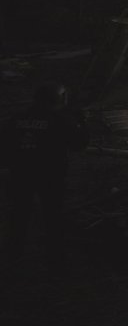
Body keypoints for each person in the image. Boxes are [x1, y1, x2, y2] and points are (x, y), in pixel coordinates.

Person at [2, 83, 87, 268]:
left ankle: (14, 253)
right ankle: (55, 258)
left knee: (19, 213)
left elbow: (6, 145)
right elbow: (78, 144)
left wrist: (8, 167)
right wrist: (80, 121)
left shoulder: (18, 118)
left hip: (20, 173)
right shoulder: (59, 119)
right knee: (53, 215)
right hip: (50, 174)